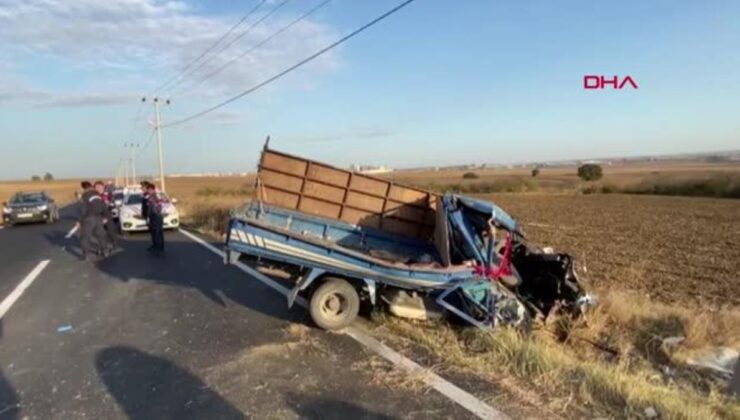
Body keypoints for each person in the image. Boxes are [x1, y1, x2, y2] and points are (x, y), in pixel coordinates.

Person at [79, 181, 110, 261]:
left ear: (84, 188)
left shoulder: (85, 195)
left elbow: (83, 209)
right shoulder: (97, 195)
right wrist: (105, 216)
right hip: (99, 217)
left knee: (85, 237)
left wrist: (81, 220)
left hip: (89, 218)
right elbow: (103, 206)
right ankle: (105, 251)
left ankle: (86, 255)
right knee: (101, 235)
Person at [144, 182, 165, 255]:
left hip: (156, 216)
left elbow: (156, 207)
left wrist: (150, 216)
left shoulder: (154, 197)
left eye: (149, 190)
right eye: (148, 190)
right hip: (155, 216)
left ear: (152, 189)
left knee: (157, 233)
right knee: (156, 232)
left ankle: (158, 248)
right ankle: (157, 246)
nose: (148, 191)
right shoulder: (152, 197)